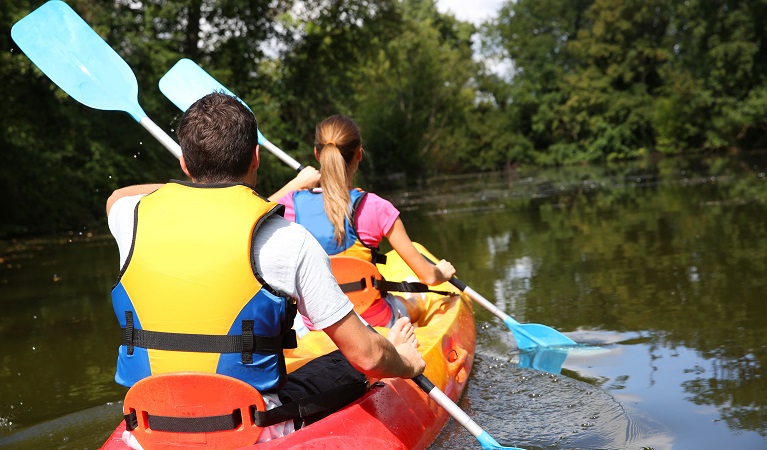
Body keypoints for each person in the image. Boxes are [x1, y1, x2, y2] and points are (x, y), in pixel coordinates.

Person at [105, 92, 425, 446]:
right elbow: (366, 355)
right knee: (354, 363)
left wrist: (190, 189)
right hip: (252, 430)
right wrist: (407, 363)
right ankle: (395, 344)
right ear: (256, 158)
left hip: (148, 426)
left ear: (184, 164)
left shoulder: (129, 219)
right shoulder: (289, 241)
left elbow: (118, 196)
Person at [277, 115, 456, 328]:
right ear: (359, 154)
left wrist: (295, 183)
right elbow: (428, 277)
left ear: (317, 154)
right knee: (416, 300)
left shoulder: (290, 205)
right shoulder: (376, 207)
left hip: (315, 326)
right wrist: (441, 273)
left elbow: (251, 219)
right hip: (373, 322)